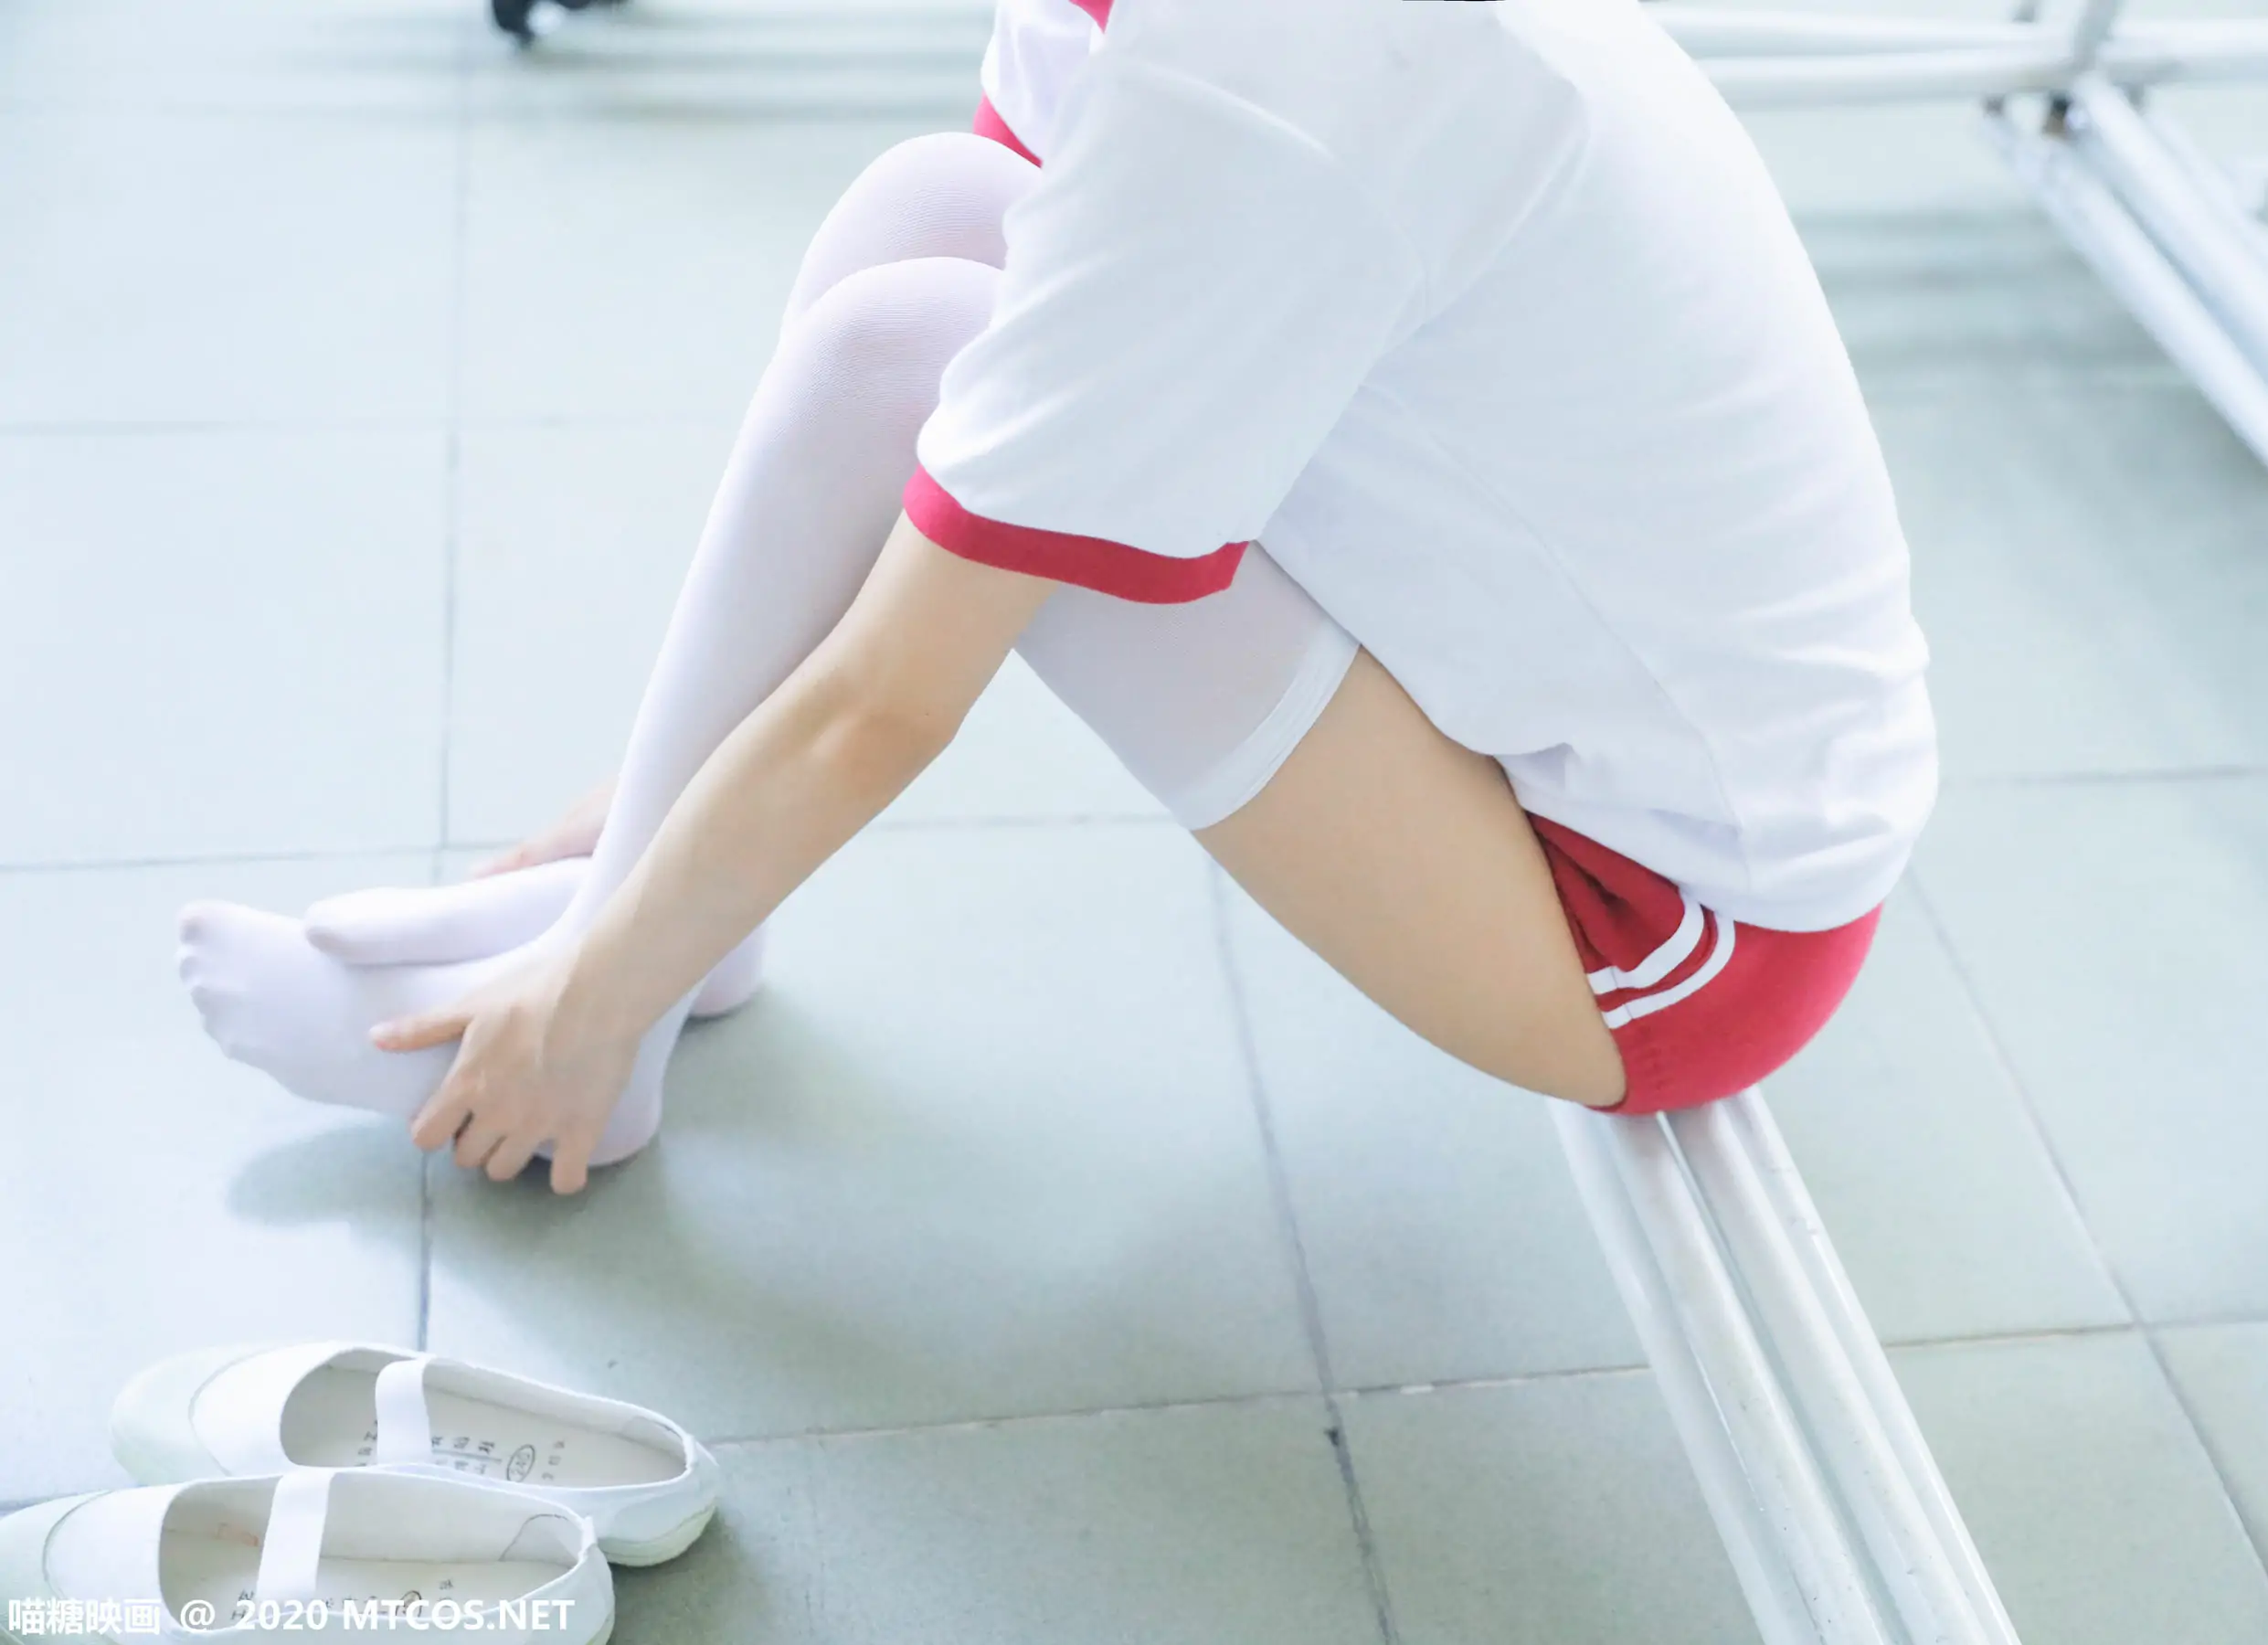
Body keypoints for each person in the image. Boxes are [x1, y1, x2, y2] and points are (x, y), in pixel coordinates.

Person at [177, 0, 1935, 1195]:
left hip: (1668, 918)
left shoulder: (1267, 67)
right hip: (1564, 696)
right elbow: (1002, 305)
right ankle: (671, 915)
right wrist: (648, 805)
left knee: (911, 352)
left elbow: (893, 686)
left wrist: (584, 1005)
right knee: (935, 214)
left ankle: (609, 1029)